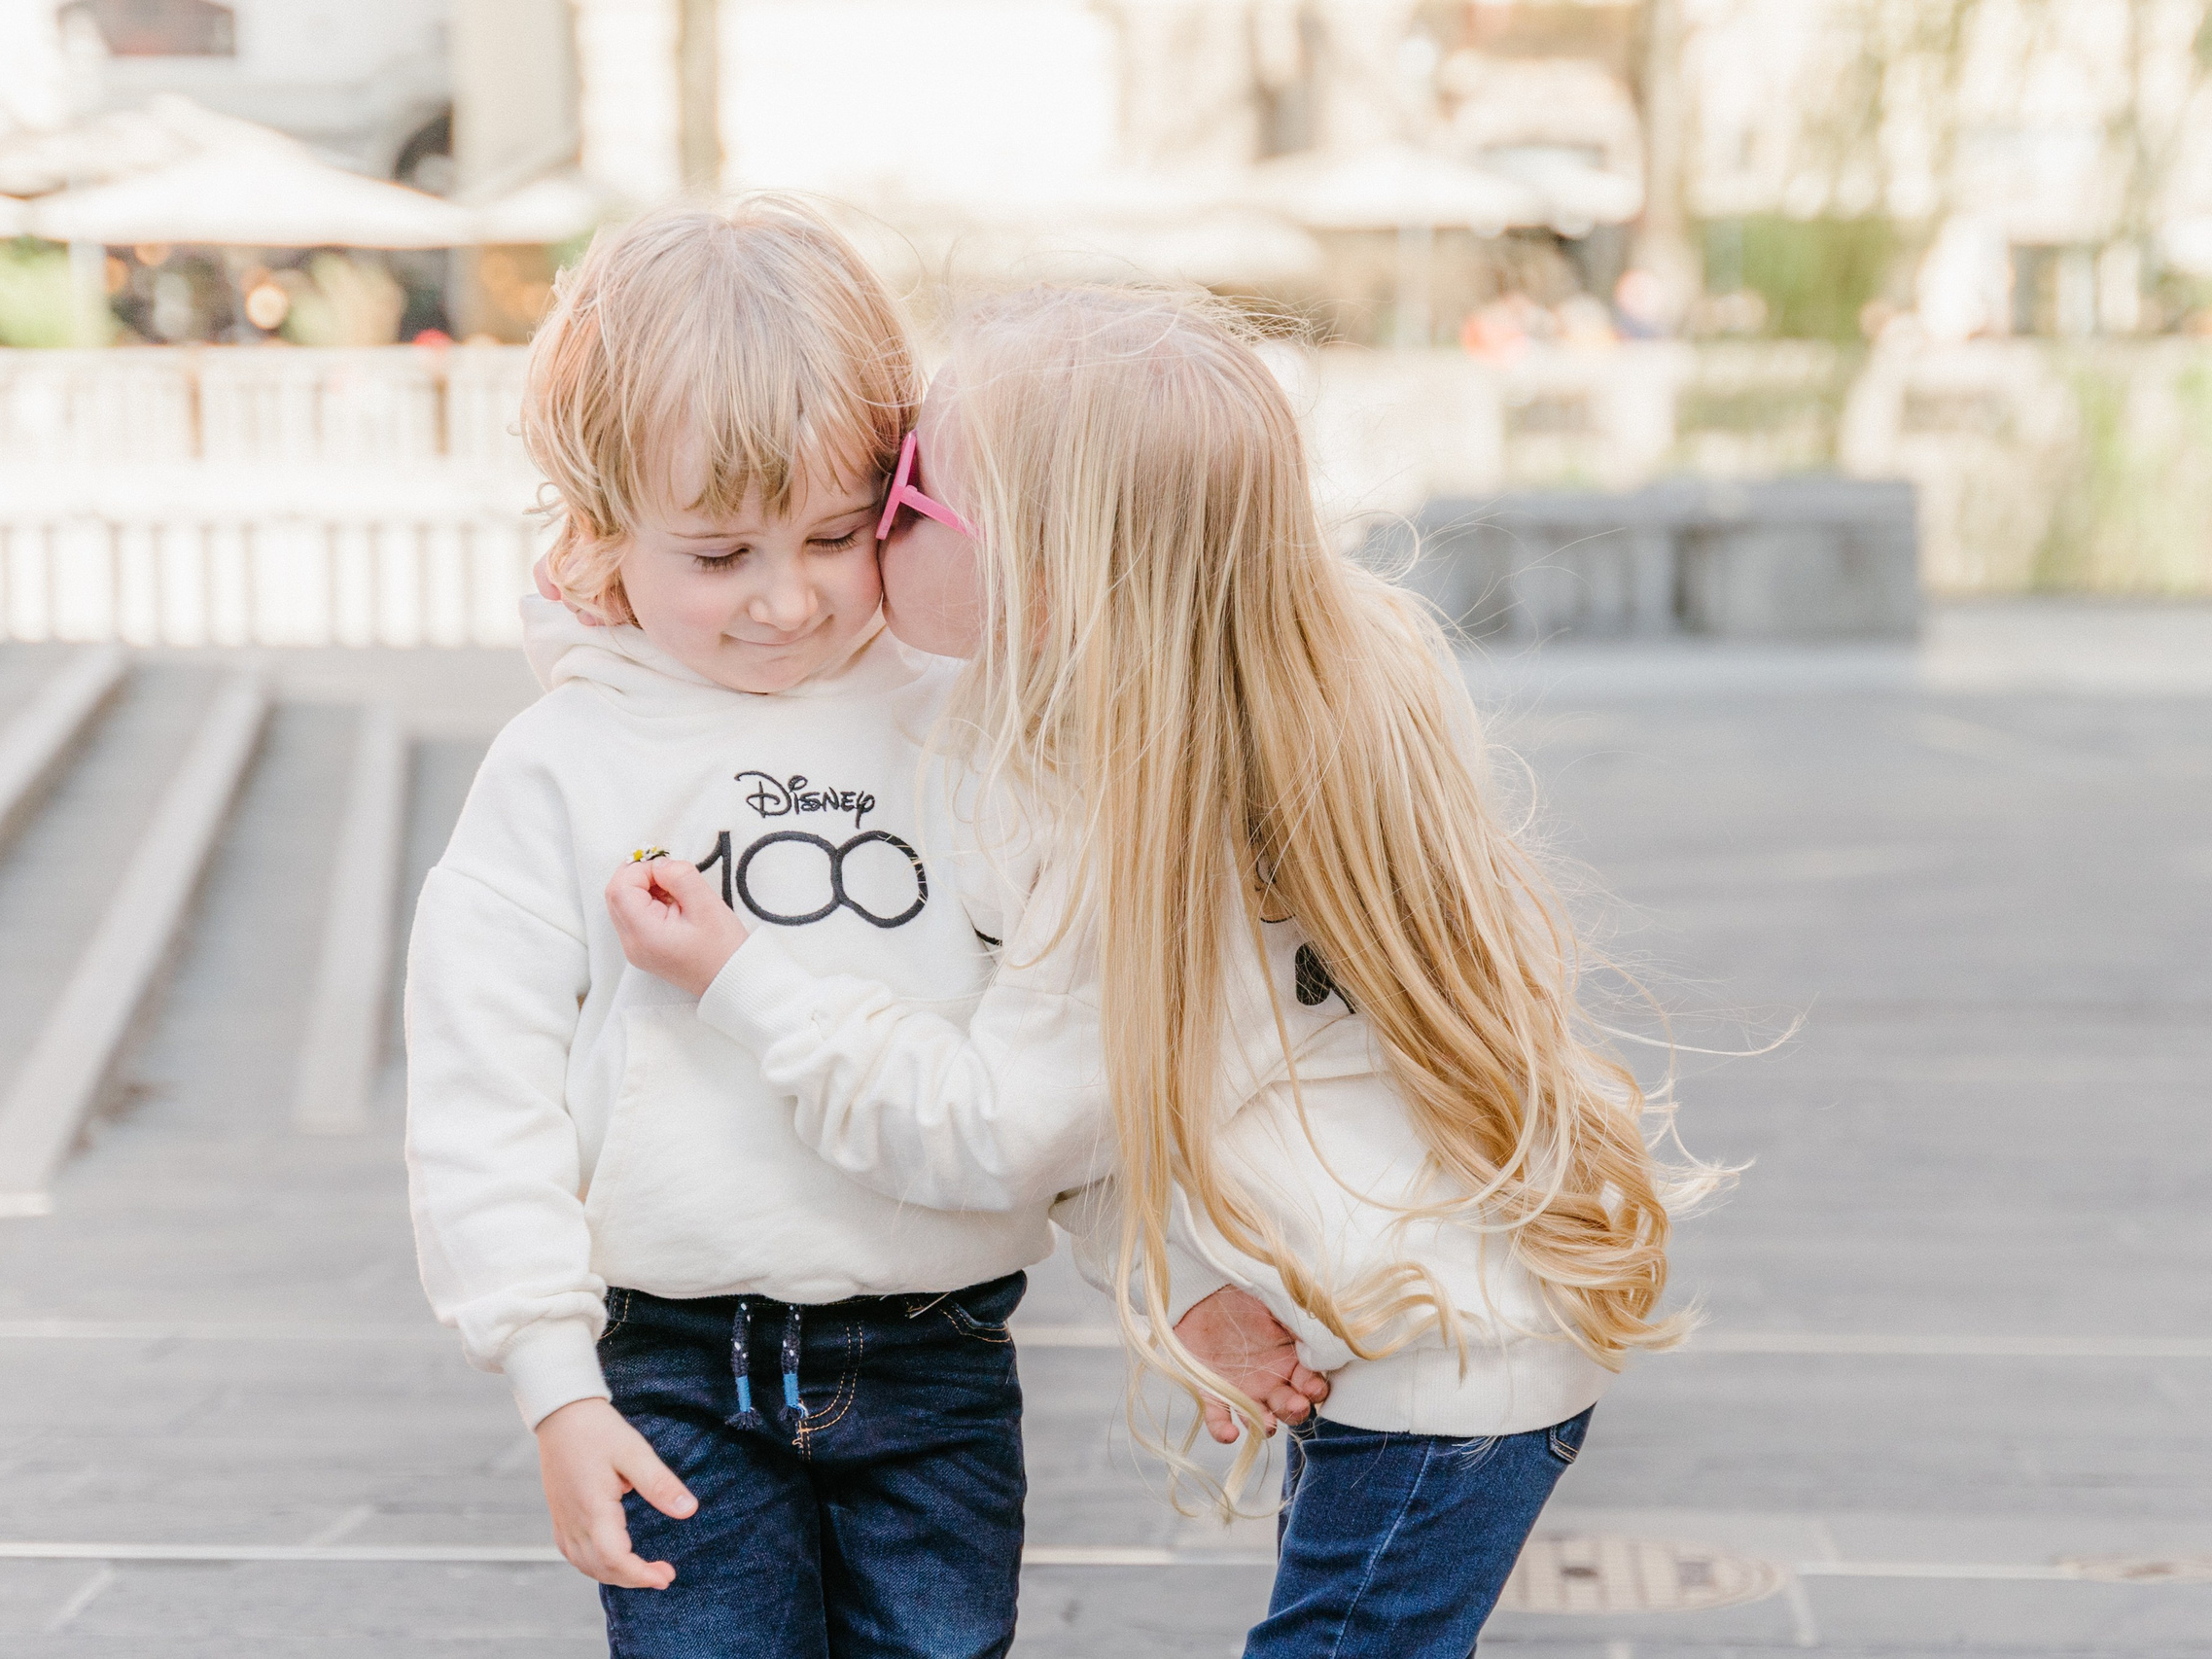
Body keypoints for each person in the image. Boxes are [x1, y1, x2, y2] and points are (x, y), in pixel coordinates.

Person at [608, 284, 1722, 1658]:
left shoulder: (1118, 822)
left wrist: (743, 977)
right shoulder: (1264, 696)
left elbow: (993, 1129)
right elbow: (1148, 1081)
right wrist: (1191, 1279)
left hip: (1439, 1365)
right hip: (1442, 1324)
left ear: (1041, 576)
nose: (873, 516)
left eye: (901, 491)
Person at [404, 205, 1309, 1659]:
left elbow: (1054, 1078)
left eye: (837, 533)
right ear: (601, 530)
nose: (787, 598)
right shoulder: (560, 767)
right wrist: (553, 1380)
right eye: (717, 554)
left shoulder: (973, 731)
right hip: (673, 1356)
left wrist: (1179, 1280)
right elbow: (480, 1094)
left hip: (937, 1354)